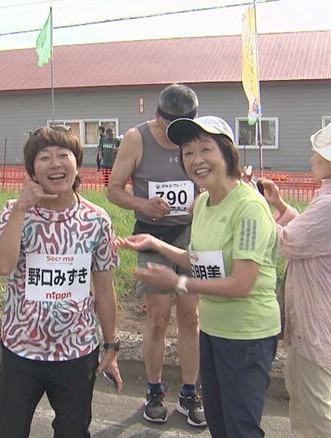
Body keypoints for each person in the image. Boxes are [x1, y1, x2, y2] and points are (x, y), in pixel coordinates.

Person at [117, 115, 279, 437]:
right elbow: (201, 261)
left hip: (246, 336)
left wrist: (176, 283)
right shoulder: (203, 202)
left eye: (205, 149)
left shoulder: (249, 208)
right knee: (219, 423)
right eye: (188, 153)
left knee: (241, 428)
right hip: (215, 332)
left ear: (227, 152)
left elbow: (242, 283)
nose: (196, 160)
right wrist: (156, 244)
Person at [0, 125, 122, 438]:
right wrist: (22, 207)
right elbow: (3, 266)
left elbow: (104, 288)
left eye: (63, 155)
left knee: (73, 431)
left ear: (76, 164)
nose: (55, 164)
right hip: (22, 349)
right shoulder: (15, 210)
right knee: (9, 431)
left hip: (76, 351)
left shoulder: (96, 219)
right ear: (32, 170)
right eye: (44, 158)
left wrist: (111, 343)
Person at [259, 119, 331, 438]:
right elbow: (306, 233)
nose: (312, 159)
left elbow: (287, 241)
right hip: (314, 311)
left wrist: (255, 210)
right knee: (302, 402)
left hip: (316, 316)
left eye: (318, 154)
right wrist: (278, 205)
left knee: (317, 407)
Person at [106, 84, 205, 427]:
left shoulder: (198, 137)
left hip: (191, 234)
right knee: (158, 317)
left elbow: (216, 179)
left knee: (191, 316)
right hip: (151, 234)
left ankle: (190, 392)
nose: (177, 135)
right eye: (169, 127)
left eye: (184, 127)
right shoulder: (136, 138)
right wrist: (143, 203)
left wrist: (203, 197)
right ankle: (154, 390)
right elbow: (113, 190)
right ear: (157, 117)